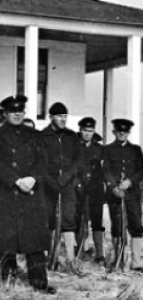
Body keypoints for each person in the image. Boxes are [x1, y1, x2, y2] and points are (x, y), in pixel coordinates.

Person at [0, 95, 55, 294]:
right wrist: (15, 180)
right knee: (6, 239)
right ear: (5, 114)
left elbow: (43, 160)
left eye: (20, 111)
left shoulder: (34, 135)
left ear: (24, 113)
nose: (17, 114)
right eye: (12, 112)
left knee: (34, 240)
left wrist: (32, 178)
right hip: (6, 194)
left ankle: (39, 282)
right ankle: (7, 280)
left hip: (31, 194)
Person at [40, 102, 84, 273]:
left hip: (67, 185)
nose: (63, 120)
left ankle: (71, 260)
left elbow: (78, 160)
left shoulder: (72, 136)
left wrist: (65, 177)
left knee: (68, 220)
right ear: (51, 117)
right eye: (59, 116)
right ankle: (51, 256)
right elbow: (39, 162)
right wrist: (52, 181)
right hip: (48, 185)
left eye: (65, 116)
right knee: (48, 219)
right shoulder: (42, 136)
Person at [102, 119, 143, 272]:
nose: (122, 134)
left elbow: (140, 170)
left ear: (128, 133)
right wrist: (113, 187)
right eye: (119, 131)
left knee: (137, 226)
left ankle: (137, 262)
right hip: (115, 195)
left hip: (132, 195)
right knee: (117, 227)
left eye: (124, 132)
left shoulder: (136, 150)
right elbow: (105, 170)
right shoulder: (107, 150)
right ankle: (118, 260)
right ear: (114, 132)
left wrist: (131, 181)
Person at [75, 117, 105, 265]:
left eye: (90, 131)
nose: (87, 133)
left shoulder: (99, 149)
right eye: (85, 130)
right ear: (80, 130)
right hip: (79, 188)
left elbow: (104, 169)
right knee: (79, 220)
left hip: (95, 189)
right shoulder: (74, 147)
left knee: (97, 221)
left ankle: (100, 254)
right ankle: (79, 250)